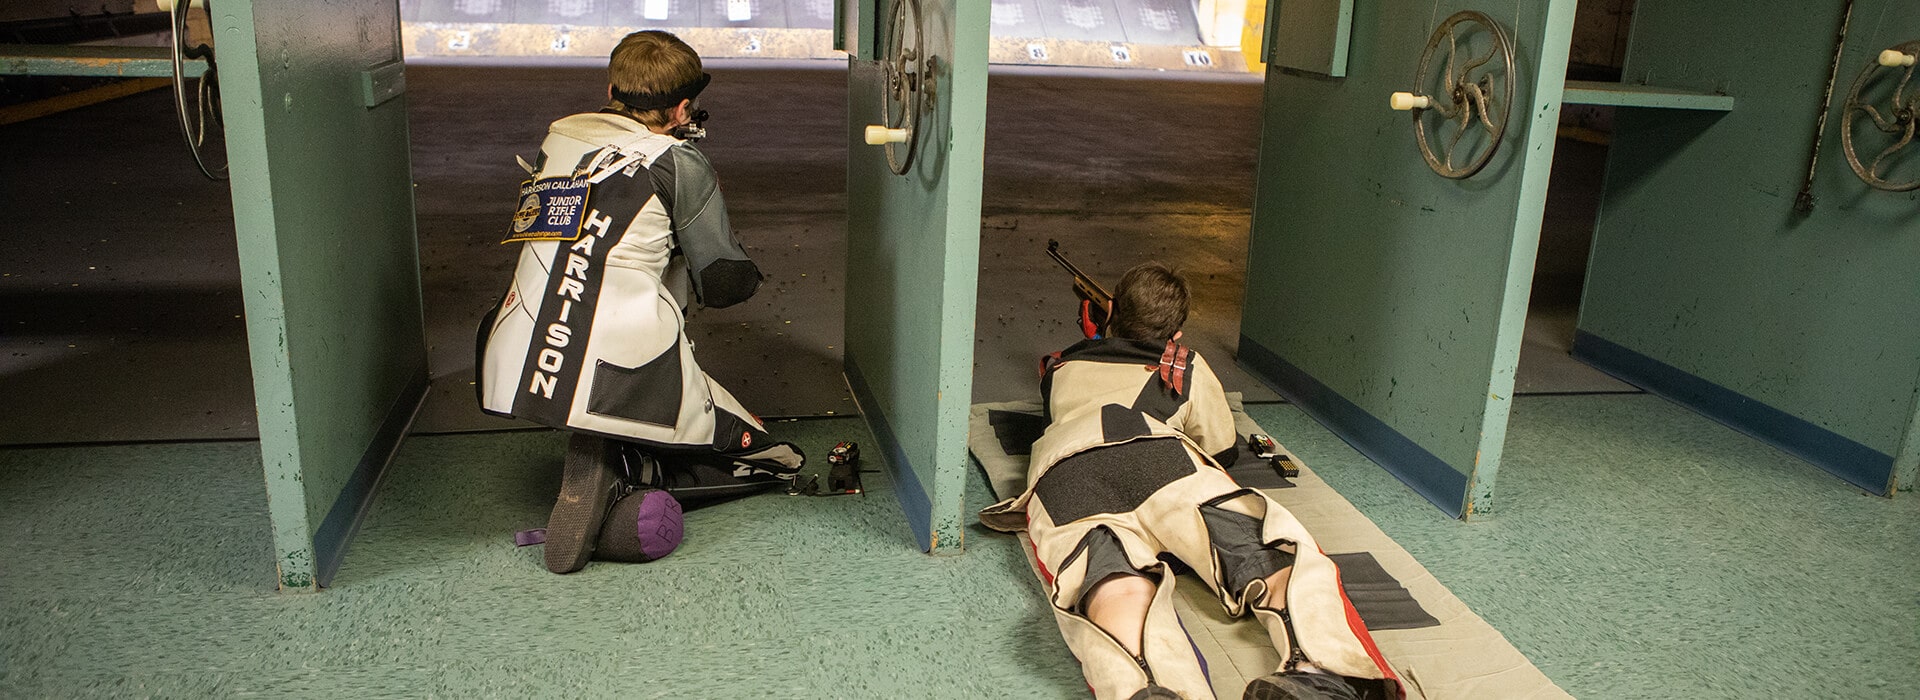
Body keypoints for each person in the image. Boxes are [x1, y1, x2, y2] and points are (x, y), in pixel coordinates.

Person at [979, 263, 1401, 700]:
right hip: (1160, 459)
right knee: (1271, 552)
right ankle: (1318, 672)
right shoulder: (1185, 366)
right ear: (1175, 336)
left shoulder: (1061, 367)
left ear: (1108, 312)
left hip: (1065, 475)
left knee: (1113, 585)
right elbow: (1220, 448)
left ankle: (1144, 687)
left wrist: (1098, 336)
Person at [476, 30, 803, 574]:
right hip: (623, 367)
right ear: (681, 108)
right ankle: (631, 472)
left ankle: (611, 454)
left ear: (610, 88)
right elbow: (723, 282)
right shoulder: (678, 161)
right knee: (770, 455)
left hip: (517, 357)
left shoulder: (558, 138)